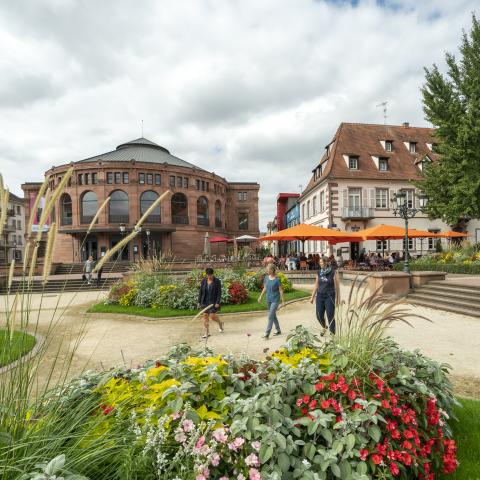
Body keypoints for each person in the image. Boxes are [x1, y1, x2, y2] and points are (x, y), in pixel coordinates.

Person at [258, 263, 285, 339]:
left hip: (275, 300)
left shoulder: (277, 279)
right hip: (268, 299)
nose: (267, 271)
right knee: (273, 315)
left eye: (268, 269)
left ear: (272, 270)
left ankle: (267, 333)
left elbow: (281, 290)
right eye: (267, 269)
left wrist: (283, 301)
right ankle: (278, 330)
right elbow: (265, 288)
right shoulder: (266, 278)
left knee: (270, 316)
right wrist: (260, 296)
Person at [310, 257, 336, 335]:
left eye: (321, 262)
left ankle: (332, 334)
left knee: (330, 315)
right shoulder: (319, 272)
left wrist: (338, 297)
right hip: (320, 296)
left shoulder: (333, 272)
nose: (320, 264)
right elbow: (316, 284)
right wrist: (312, 297)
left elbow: (336, 286)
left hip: (330, 295)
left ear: (326, 262)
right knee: (319, 315)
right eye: (320, 262)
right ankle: (324, 327)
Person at [198, 267, 224, 338]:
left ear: (213, 274)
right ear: (206, 275)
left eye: (210, 275)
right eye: (208, 275)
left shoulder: (217, 281)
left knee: (212, 316)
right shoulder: (203, 281)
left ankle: (220, 323)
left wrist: (217, 302)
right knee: (205, 316)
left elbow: (219, 293)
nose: (209, 277)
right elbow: (201, 292)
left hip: (213, 302)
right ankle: (207, 333)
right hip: (205, 301)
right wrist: (199, 302)